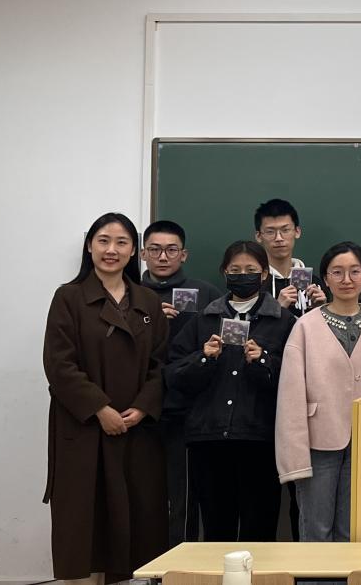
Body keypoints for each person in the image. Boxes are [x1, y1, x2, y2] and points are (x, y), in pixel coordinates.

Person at [43, 213, 169, 583]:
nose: (111, 250)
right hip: (83, 430)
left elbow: (162, 364)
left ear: (134, 252)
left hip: (136, 432)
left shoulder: (147, 301)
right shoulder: (69, 297)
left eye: (121, 242)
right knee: (83, 523)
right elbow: (59, 365)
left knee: (137, 525)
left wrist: (142, 407)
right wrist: (100, 408)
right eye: (103, 240)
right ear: (89, 246)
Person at [165, 241, 294, 541]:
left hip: (260, 440)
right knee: (216, 529)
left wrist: (263, 360)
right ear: (224, 272)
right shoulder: (203, 319)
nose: (242, 275)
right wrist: (203, 357)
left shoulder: (284, 321)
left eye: (250, 270)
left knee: (259, 529)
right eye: (235, 270)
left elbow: (296, 380)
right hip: (209, 439)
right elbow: (173, 373)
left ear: (264, 274)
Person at [276, 242, 361, 542]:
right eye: (337, 272)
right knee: (316, 530)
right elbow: (290, 395)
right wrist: (294, 456)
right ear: (325, 279)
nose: (347, 279)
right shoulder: (305, 326)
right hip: (319, 440)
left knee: (353, 531)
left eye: (355, 271)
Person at [139, 219, 218, 546]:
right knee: (141, 495)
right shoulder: (128, 293)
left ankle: (179, 565)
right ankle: (139, 566)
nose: (163, 257)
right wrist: (150, 320)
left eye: (171, 250)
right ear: (143, 253)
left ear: (183, 254)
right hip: (137, 411)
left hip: (188, 412)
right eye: (155, 249)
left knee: (184, 500)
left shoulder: (206, 293)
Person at [254, 198, 326, 316]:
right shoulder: (254, 283)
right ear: (258, 236)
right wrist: (277, 309)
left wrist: (322, 310)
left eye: (285, 230)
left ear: (297, 231)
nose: (279, 238)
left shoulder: (315, 283)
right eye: (270, 231)